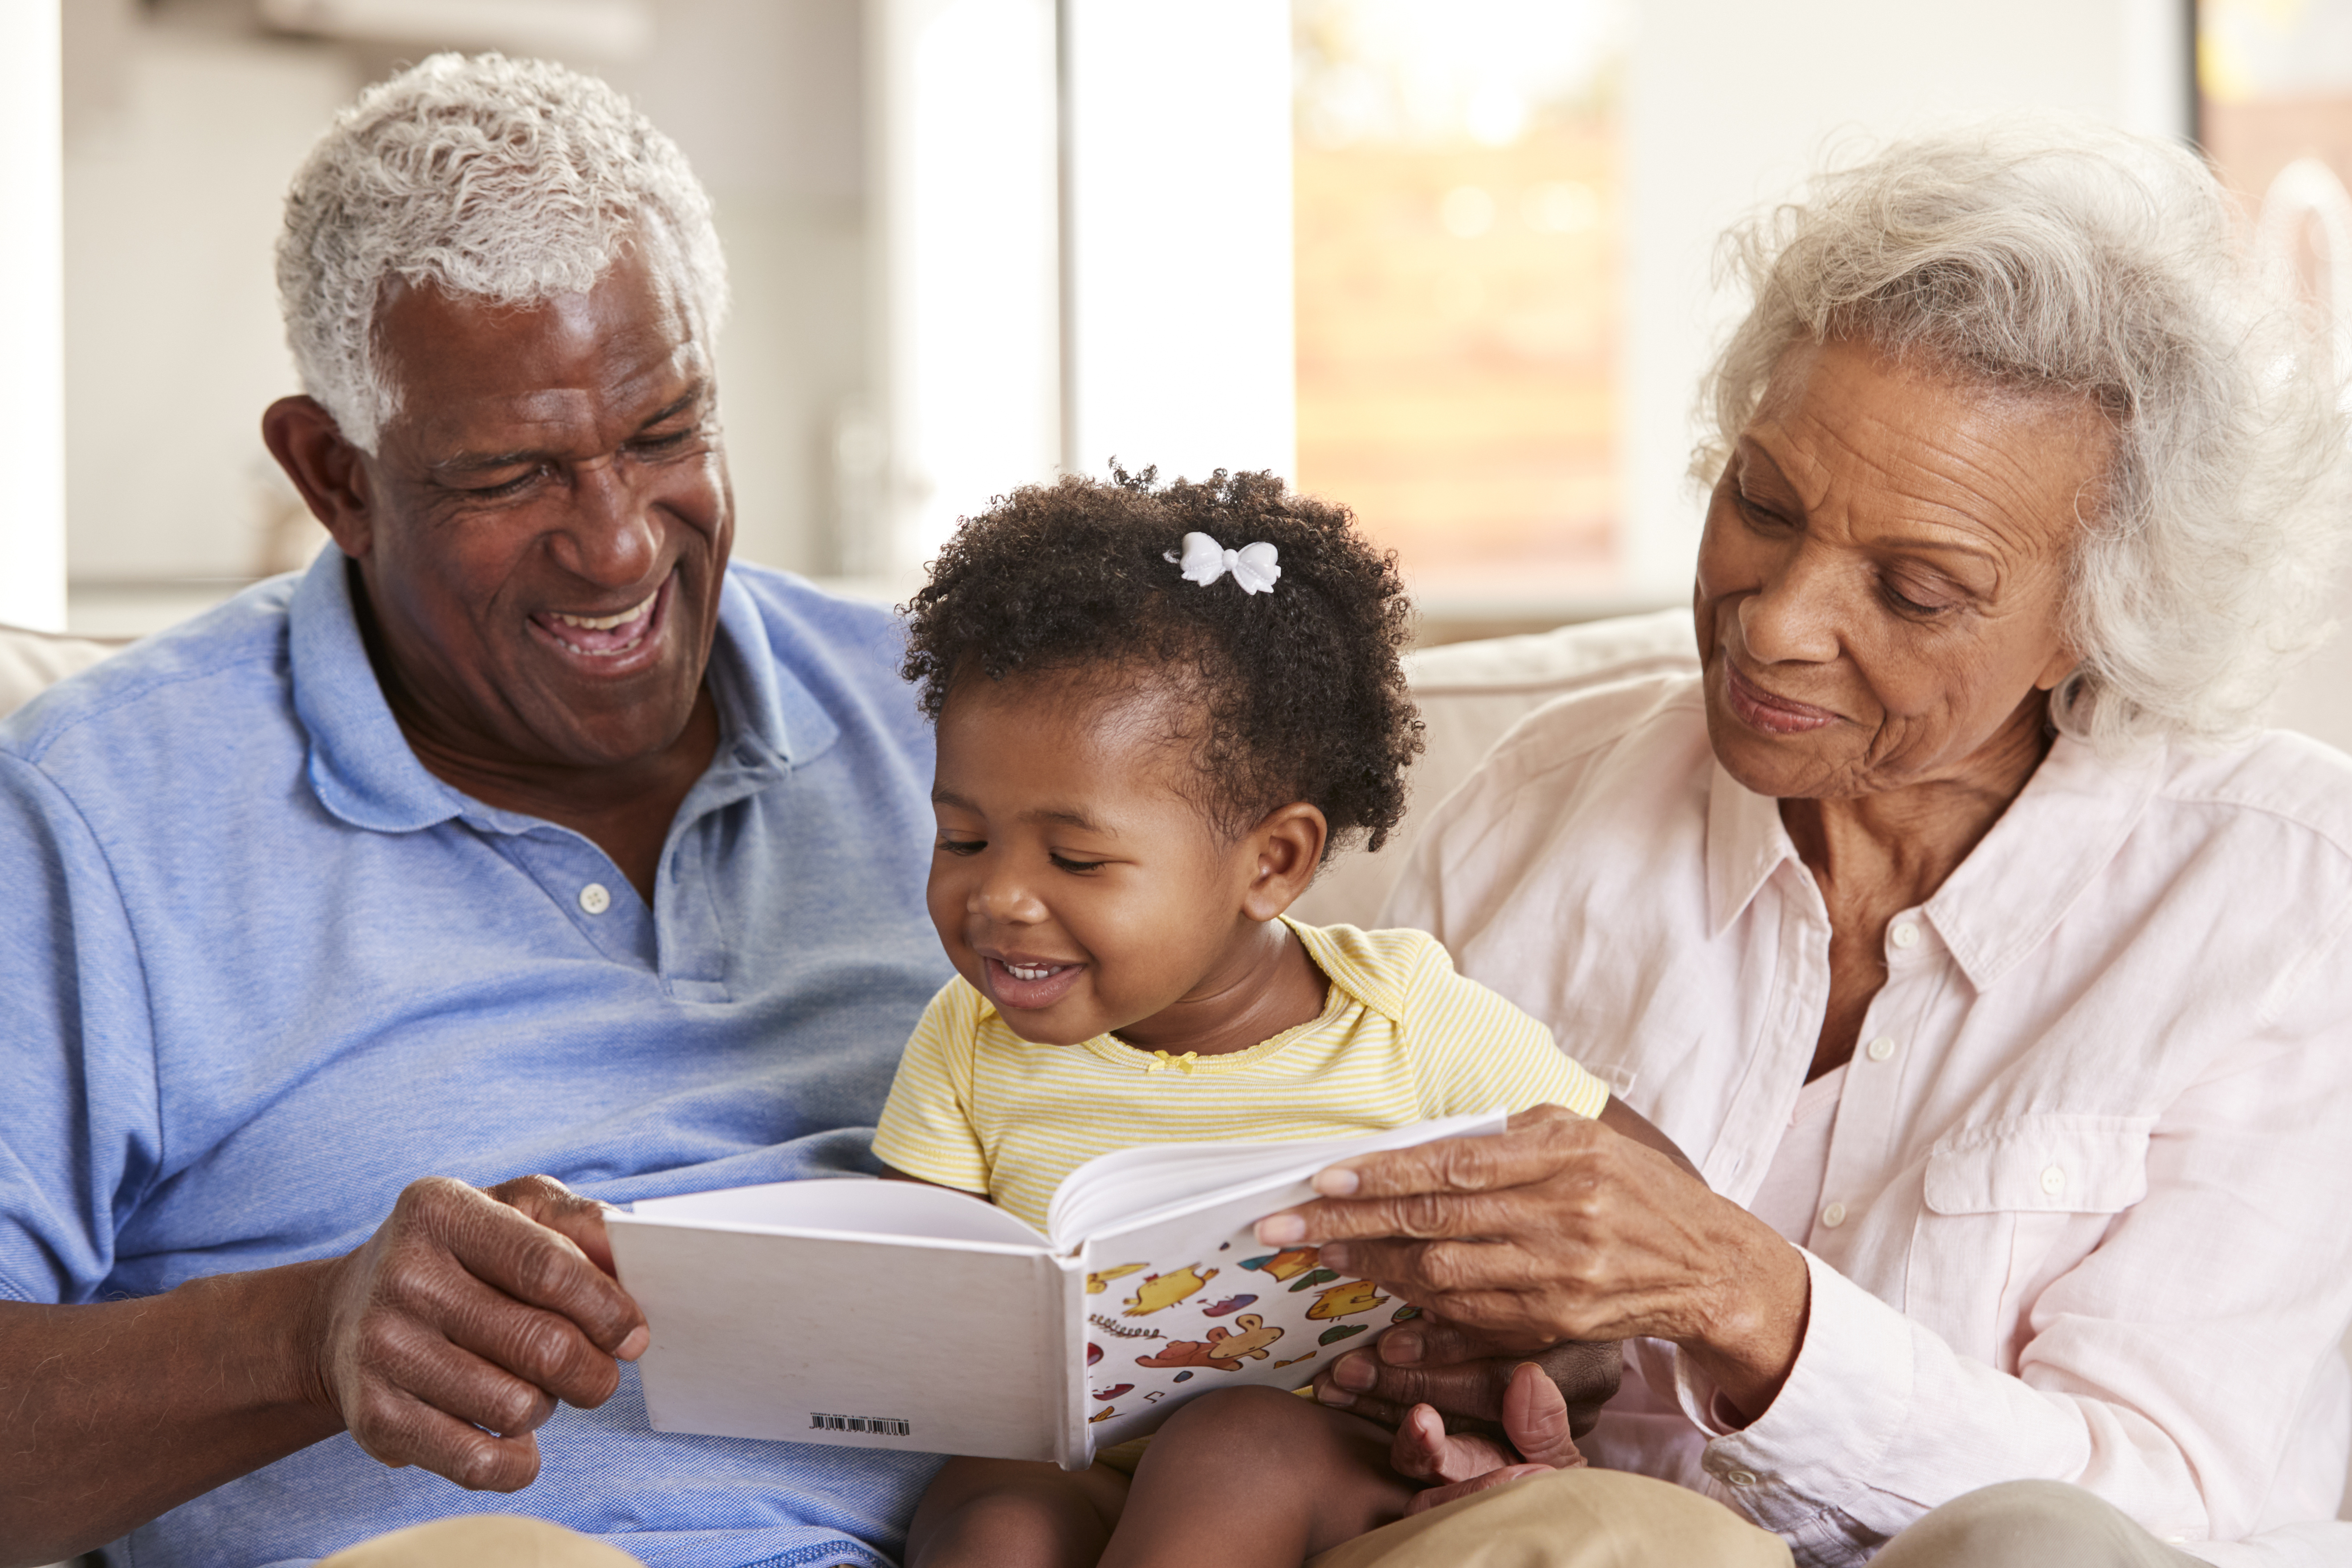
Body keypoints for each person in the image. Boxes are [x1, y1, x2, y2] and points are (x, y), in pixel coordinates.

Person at [1252, 122, 2352, 1566]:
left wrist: (1737, 1291)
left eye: (1916, 588)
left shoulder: (2281, 891)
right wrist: (1478, 1388)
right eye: (1761, 504)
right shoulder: (1546, 802)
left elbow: (2159, 1501)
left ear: (2098, 617)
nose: (1774, 622)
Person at [0, 53, 966, 1566]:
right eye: (514, 473)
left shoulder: (956, 730)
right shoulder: (94, 819)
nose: (618, 545)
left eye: (665, 433)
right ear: (336, 477)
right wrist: (305, 1335)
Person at [865, 468, 1692, 1568]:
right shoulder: (966, 1040)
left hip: (1322, 1463)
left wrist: (1540, 1328)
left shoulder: (1407, 1021)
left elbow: (1658, 1211)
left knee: (1233, 1444)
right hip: (1070, 1465)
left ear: (1275, 861)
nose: (1001, 898)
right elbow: (897, 1291)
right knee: (996, 1515)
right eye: (963, 839)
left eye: (1075, 858)